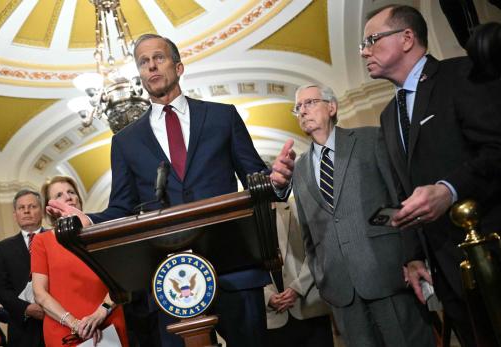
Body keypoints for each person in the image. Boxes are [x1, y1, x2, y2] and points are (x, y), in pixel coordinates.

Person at [47, 34, 271, 347]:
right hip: (169, 279)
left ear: (178, 66)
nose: (151, 65)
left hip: (233, 267)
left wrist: (277, 180)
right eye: (143, 61)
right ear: (139, 74)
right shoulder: (125, 141)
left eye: (159, 57)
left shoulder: (223, 117)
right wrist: (89, 219)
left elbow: (256, 179)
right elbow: (122, 208)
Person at [361, 5, 501, 346]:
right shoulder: (387, 115)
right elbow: (403, 188)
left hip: (490, 251)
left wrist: (449, 190)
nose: (365, 51)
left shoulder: (462, 74)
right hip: (445, 271)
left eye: (372, 40)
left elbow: (496, 148)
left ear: (407, 38)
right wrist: (413, 256)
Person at [272, 84, 434, 346]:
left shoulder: (371, 139)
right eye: (298, 107)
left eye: (310, 103)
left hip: (388, 275)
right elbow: (309, 234)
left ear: (332, 107)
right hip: (340, 290)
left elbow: (399, 199)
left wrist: (412, 256)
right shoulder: (299, 168)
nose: (303, 111)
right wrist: (322, 277)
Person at [31, 176, 129, 347]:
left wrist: (100, 313)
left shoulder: (102, 232)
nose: (68, 197)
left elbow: (121, 279)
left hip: (108, 322)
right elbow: (40, 293)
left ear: (79, 199)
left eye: (71, 192)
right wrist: (75, 324)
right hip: (62, 329)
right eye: (59, 195)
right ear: (49, 207)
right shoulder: (42, 241)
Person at [264, 198, 333, 347]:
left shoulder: (297, 205)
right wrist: (267, 296)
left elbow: (318, 249)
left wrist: (298, 287)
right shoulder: (244, 218)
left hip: (309, 307)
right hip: (272, 319)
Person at [0, 189, 45, 347]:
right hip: (23, 329)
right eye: (21, 208)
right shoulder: (2, 249)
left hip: (58, 320)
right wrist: (27, 308)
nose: (27, 211)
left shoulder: (56, 238)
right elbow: (1, 289)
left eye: (32, 206)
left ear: (41, 211)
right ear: (15, 214)